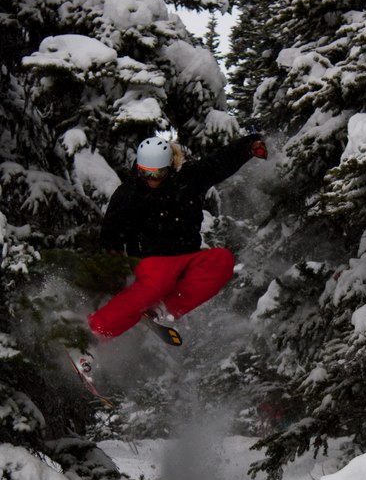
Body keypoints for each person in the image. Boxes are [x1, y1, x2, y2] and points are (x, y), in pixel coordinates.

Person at [71, 132, 267, 377]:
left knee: (222, 260)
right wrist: (113, 273)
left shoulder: (189, 179)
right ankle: (91, 334)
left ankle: (163, 309)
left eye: (158, 174)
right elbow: (111, 234)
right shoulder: (129, 193)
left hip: (187, 256)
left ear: (169, 168)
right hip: (150, 260)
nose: (152, 180)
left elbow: (219, 162)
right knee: (156, 284)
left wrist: (249, 146)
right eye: (146, 174)